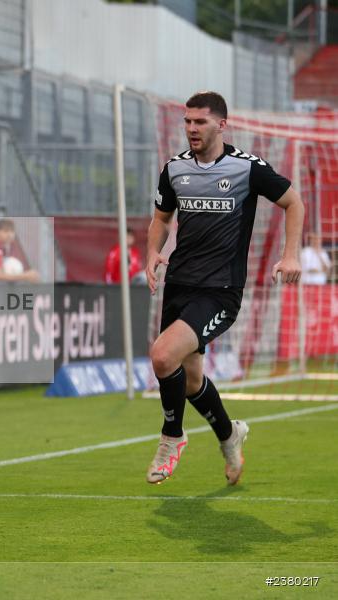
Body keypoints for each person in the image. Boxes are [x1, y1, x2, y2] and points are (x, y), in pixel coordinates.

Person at [145, 91, 303, 486]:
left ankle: (171, 438)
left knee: (164, 357)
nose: (192, 129)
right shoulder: (174, 169)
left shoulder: (246, 168)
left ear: (221, 124)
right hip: (179, 284)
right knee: (192, 379)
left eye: (200, 122)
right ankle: (229, 436)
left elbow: (294, 203)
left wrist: (291, 254)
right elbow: (162, 218)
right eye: (187, 122)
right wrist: (151, 252)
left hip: (220, 290)